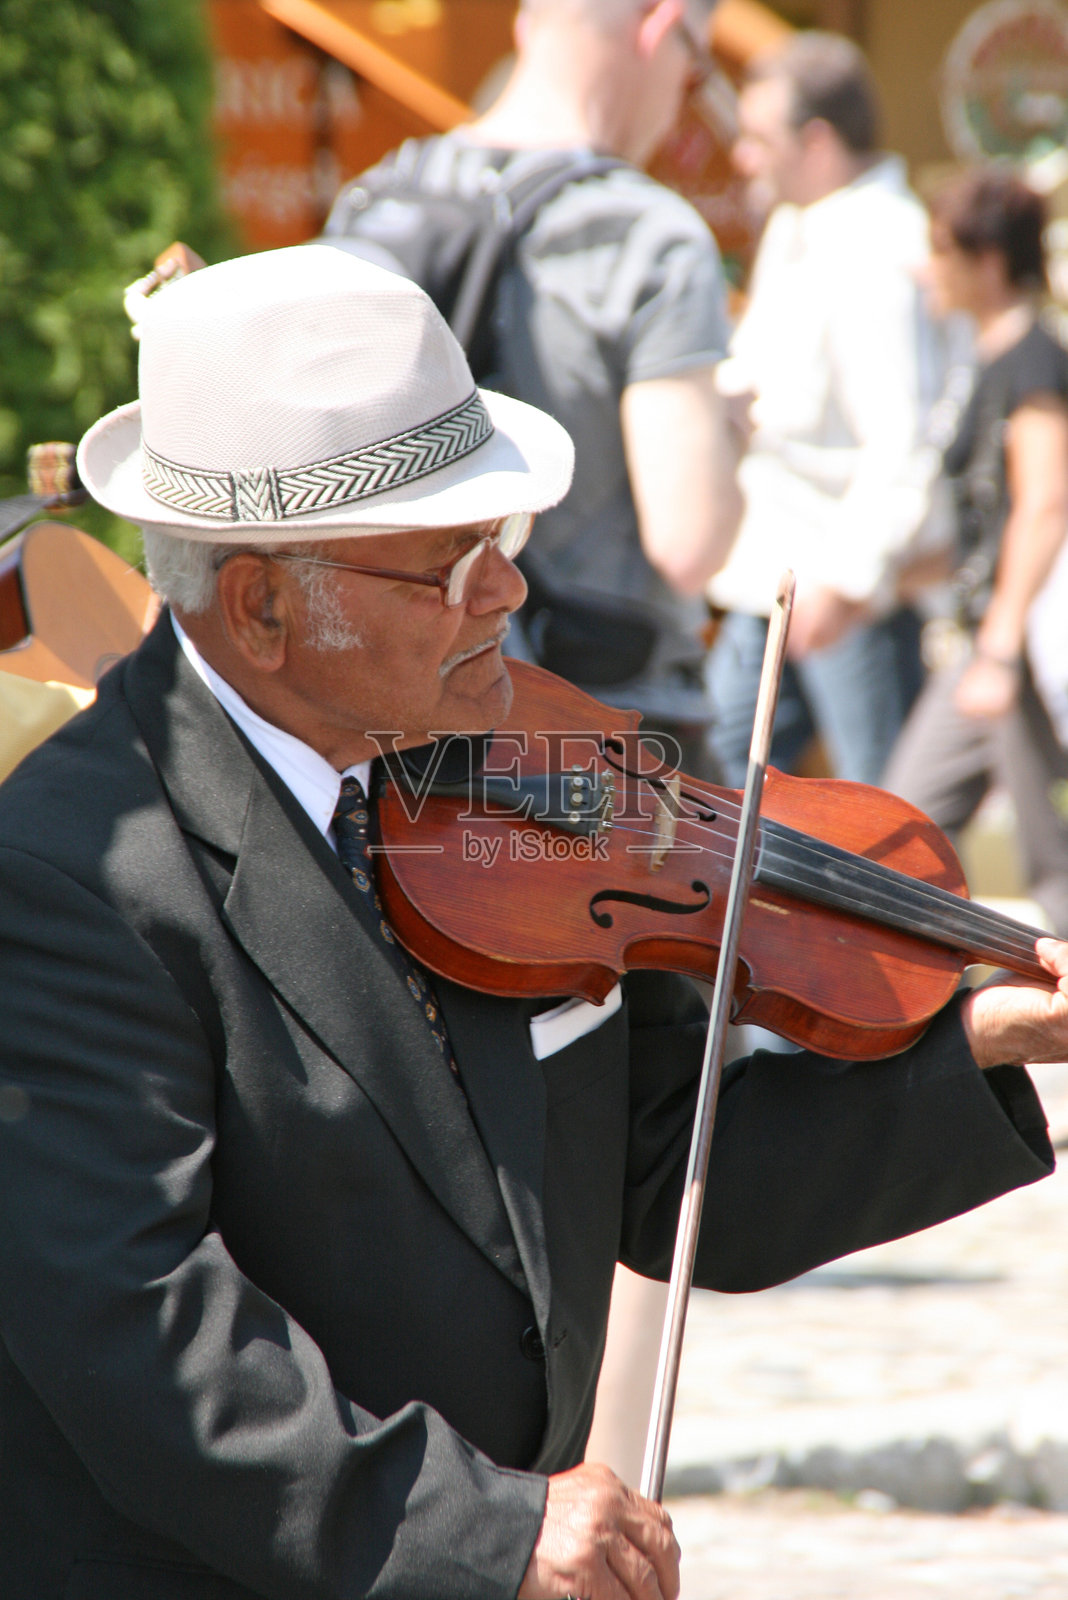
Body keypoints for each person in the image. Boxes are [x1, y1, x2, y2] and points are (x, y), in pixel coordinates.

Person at [0, 244, 1066, 1600]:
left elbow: (684, 1178)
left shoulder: (514, 785)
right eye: (445, 565)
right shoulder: (69, 879)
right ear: (263, 606)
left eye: (499, 543)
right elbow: (138, 1337)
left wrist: (981, 1036)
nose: (505, 593)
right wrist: (489, 1534)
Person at [325, 0, 744, 776]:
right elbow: (690, 545)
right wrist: (723, 437)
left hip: (401, 724)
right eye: (697, 64)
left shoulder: (379, 195)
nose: (685, 88)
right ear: (662, 26)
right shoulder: (650, 234)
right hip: (611, 734)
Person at [706, 31, 948, 787]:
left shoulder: (880, 246)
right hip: (766, 579)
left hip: (847, 594)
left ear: (816, 142)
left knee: (878, 826)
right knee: (723, 785)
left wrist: (847, 582)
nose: (742, 158)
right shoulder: (797, 223)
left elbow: (903, 438)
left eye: (757, 139)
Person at [884, 169, 1068, 935]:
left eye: (940, 248)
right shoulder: (989, 357)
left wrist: (996, 648)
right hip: (994, 637)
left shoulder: (1031, 358)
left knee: (915, 833)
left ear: (987, 261)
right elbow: (986, 522)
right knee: (921, 833)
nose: (928, 267)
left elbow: (1046, 500)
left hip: (1013, 642)